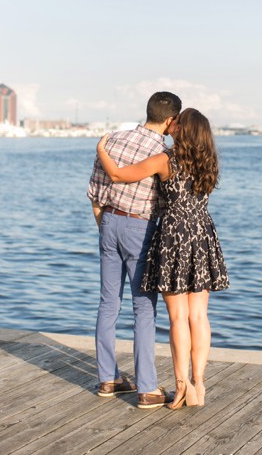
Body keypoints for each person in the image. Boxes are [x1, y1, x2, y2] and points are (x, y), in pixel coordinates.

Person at [96, 107, 229, 409]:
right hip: (202, 233)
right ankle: (200, 382)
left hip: (174, 235)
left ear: (181, 129)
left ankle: (181, 386)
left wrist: (101, 149)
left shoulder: (166, 160)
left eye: (177, 124)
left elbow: (117, 175)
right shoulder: (209, 161)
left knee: (177, 317)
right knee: (199, 316)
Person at [87, 91, 181, 410]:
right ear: (170, 120)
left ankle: (107, 379)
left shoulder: (113, 141)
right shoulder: (163, 153)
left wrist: (105, 225)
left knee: (108, 302)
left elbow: (95, 190)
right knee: (144, 306)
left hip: (108, 220)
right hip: (141, 228)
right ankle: (147, 388)